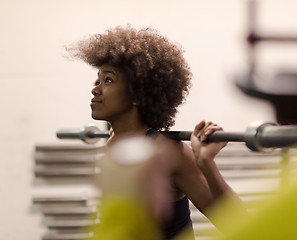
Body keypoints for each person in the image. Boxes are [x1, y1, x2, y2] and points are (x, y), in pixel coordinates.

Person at [67, 26, 244, 240]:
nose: (95, 89)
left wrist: (207, 163)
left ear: (136, 94)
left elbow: (237, 224)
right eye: (98, 80)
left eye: (108, 80)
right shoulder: (115, 143)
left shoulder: (172, 153)